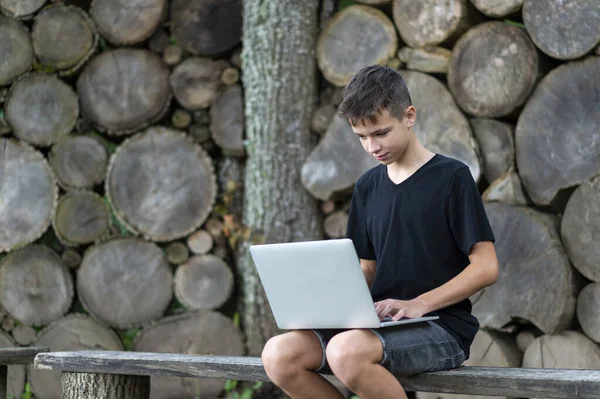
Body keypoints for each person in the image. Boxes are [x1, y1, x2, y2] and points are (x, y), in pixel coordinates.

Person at [261, 65, 499, 399]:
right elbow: (367, 269)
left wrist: (419, 303)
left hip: (439, 327)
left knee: (346, 352)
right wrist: (325, 308)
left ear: (409, 116)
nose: (372, 147)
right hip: (377, 325)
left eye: (381, 133)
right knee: (278, 355)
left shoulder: (452, 178)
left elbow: (486, 267)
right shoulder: (367, 188)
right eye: (362, 137)